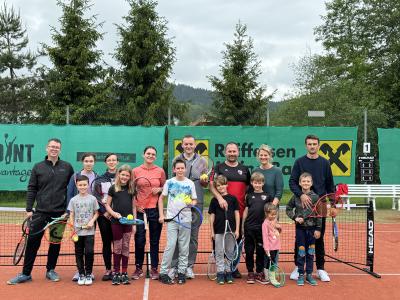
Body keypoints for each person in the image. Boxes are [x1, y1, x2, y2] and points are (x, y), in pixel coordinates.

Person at [7, 138, 74, 285]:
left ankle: (50, 270)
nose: (54, 149)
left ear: (60, 150)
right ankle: (25, 274)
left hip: (60, 213)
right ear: (46, 148)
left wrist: (68, 210)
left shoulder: (67, 167)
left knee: (55, 243)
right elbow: (32, 188)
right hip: (40, 213)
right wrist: (29, 209)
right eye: (51, 146)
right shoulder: (38, 167)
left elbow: (71, 190)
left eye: (57, 147)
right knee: (32, 243)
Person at [289, 134, 335, 282]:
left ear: (318, 145)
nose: (312, 146)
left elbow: (330, 185)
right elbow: (292, 182)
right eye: (309, 144)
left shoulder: (325, 163)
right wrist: (300, 195)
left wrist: (333, 204)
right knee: (300, 238)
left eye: (315, 144)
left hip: (320, 205)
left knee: (318, 237)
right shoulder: (299, 162)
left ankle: (320, 268)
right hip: (302, 204)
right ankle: (298, 267)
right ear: (306, 145)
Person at [210, 142, 251, 278]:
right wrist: (220, 199)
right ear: (225, 152)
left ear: (238, 152)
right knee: (219, 241)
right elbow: (211, 185)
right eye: (229, 151)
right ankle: (221, 269)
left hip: (239, 212)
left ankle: (233, 266)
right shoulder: (219, 167)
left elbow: (249, 189)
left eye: (234, 151)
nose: (232, 153)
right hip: (223, 212)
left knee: (237, 241)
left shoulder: (245, 169)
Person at [169, 135, 208, 280]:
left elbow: (205, 184)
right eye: (186, 144)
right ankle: (175, 266)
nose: (189, 146)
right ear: (182, 145)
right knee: (178, 235)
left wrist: (205, 181)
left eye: (191, 144)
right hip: (179, 204)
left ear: (195, 145)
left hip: (196, 202)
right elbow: (172, 181)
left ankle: (189, 266)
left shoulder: (202, 161)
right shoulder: (176, 160)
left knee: (193, 236)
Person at [158, 158, 197, 285]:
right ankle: (163, 272)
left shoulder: (190, 183)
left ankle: (181, 273)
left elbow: (195, 200)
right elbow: (161, 199)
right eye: (178, 168)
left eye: (182, 168)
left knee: (184, 247)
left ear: (185, 169)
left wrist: (191, 203)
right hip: (171, 219)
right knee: (170, 245)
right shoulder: (169, 182)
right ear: (174, 169)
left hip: (186, 220)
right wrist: (161, 215)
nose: (180, 170)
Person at [131, 146, 166, 280]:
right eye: (148, 153)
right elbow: (131, 191)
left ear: (155, 157)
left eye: (153, 154)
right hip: (140, 211)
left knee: (155, 241)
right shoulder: (136, 171)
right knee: (139, 240)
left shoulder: (160, 171)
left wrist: (160, 189)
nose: (150, 156)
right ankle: (138, 267)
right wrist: (136, 205)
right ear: (143, 155)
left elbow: (165, 188)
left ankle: (154, 268)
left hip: (155, 210)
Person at [67, 152, 98, 282]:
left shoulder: (97, 177)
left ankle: (89, 272)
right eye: (86, 161)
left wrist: (92, 219)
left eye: (91, 161)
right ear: (82, 162)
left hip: (91, 218)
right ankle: (80, 273)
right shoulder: (75, 176)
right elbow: (69, 194)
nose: (89, 163)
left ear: (94, 162)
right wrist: (70, 218)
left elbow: (98, 195)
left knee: (89, 250)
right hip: (77, 222)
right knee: (79, 250)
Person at [286, 172, 321, 286]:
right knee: (301, 251)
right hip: (300, 229)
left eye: (308, 181)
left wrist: (318, 229)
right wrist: (295, 217)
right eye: (303, 181)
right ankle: (301, 274)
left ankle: (309, 274)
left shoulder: (316, 197)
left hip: (312, 230)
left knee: (311, 252)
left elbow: (319, 214)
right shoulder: (296, 197)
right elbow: (288, 208)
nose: (306, 183)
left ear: (311, 183)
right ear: (300, 183)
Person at [105, 165, 136, 285]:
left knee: (126, 246)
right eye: (123, 174)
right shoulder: (113, 188)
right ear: (119, 175)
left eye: (127, 175)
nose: (124, 177)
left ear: (130, 177)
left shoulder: (132, 189)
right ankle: (116, 272)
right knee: (117, 247)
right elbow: (107, 205)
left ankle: (124, 272)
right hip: (116, 223)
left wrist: (134, 223)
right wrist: (114, 214)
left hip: (128, 223)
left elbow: (133, 206)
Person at [208, 175, 240, 285]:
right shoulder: (214, 200)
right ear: (216, 187)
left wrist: (237, 230)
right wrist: (212, 231)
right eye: (218, 186)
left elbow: (236, 214)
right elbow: (211, 216)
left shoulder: (233, 199)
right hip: (218, 231)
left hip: (230, 231)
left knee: (230, 252)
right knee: (219, 252)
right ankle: (220, 273)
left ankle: (228, 271)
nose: (221, 187)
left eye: (222, 185)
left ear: (227, 185)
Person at [92, 153, 119, 281]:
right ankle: (108, 269)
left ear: (117, 162)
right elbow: (96, 197)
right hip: (104, 217)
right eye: (109, 160)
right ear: (106, 163)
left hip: (119, 217)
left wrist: (116, 213)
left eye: (114, 160)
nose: (112, 162)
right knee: (106, 243)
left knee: (118, 243)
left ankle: (118, 269)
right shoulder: (99, 179)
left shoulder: (123, 178)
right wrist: (106, 212)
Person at [242, 172, 270, 285]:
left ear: (263, 183)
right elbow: (246, 211)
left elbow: (269, 213)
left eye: (259, 183)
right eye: (255, 183)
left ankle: (259, 272)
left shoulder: (267, 196)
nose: (257, 185)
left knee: (260, 251)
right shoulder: (248, 196)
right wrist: (243, 225)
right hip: (249, 227)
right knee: (249, 251)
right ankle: (250, 272)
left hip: (261, 229)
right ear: (252, 183)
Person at [262, 203, 281, 286]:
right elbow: (265, 237)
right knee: (269, 263)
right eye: (271, 214)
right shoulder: (265, 224)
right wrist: (266, 248)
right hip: (269, 248)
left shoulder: (274, 221)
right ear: (266, 213)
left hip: (276, 246)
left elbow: (279, 231)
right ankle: (269, 277)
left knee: (273, 262)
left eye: (275, 214)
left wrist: (278, 226)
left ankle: (271, 276)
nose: (273, 216)